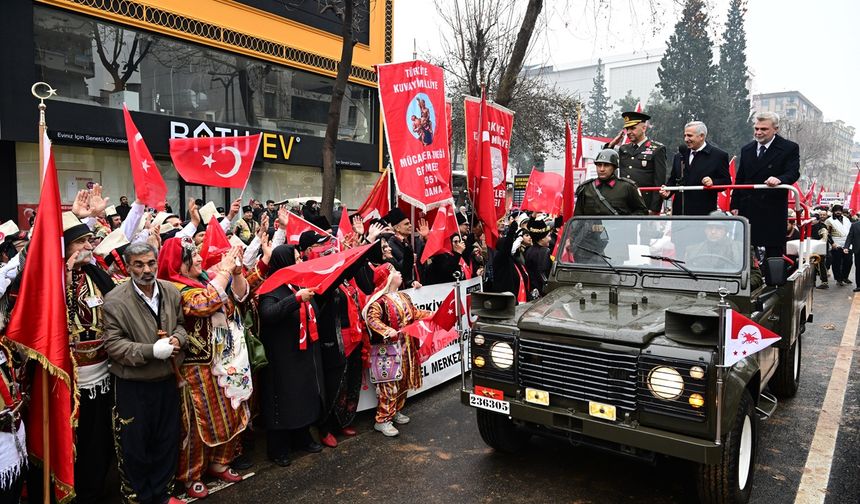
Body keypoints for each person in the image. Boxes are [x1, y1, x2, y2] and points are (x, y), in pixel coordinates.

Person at [157, 238, 267, 499]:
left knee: (230, 413)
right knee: (196, 425)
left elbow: (240, 295)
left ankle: (219, 462)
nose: (198, 259)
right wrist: (226, 270)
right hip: (194, 369)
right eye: (192, 256)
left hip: (225, 362)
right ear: (178, 264)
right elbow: (205, 303)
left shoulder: (204, 279)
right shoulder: (175, 289)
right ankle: (191, 475)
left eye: (197, 254)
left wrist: (237, 272)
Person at [103, 242, 188, 504]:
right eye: (139, 265)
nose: (147, 269)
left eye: (151, 263)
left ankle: (162, 494)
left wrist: (177, 340)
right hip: (134, 385)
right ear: (127, 267)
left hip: (167, 381)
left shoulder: (171, 291)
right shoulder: (115, 300)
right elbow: (113, 345)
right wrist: (151, 350)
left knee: (166, 440)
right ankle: (139, 497)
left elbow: (183, 326)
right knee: (135, 446)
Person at [63, 211, 116, 503]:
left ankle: (94, 492)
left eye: (88, 240)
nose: (87, 245)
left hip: (103, 374)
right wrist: (65, 274)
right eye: (79, 241)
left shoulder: (96, 273)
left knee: (100, 440)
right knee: (75, 443)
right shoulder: (53, 279)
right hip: (70, 380)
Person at [257, 245, 325, 466]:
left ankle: (302, 437)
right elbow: (268, 314)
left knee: (302, 396)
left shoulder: (298, 281)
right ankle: (279, 449)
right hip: (281, 356)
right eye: (295, 258)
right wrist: (295, 299)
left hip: (302, 352)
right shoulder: (271, 287)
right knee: (283, 400)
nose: (300, 260)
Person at [362, 264, 431, 437]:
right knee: (388, 385)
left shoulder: (403, 296)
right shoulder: (379, 302)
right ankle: (382, 420)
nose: (399, 272)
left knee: (403, 381)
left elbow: (414, 313)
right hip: (387, 351)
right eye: (394, 271)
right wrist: (386, 330)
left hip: (406, 347)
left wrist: (433, 314)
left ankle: (395, 411)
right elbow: (372, 319)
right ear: (387, 278)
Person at [730, 111, 800, 258]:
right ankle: (747, 279)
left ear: (776, 129)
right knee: (744, 248)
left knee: (773, 250)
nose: (759, 132)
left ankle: (772, 280)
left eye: (764, 129)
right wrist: (734, 204)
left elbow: (793, 172)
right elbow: (740, 179)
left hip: (772, 206)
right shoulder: (747, 149)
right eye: (756, 129)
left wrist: (780, 179)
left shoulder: (789, 148)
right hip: (747, 206)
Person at [660, 121, 731, 215]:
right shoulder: (680, 156)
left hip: (703, 213)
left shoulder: (718, 155)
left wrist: (713, 182)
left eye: (689, 136)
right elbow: (674, 179)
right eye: (685, 135)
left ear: (701, 136)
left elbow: (726, 181)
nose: (686, 139)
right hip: (679, 212)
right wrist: (668, 191)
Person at [605, 110, 667, 213]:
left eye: (633, 128)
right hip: (624, 201)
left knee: (646, 229)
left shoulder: (657, 149)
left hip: (644, 202)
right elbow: (606, 161)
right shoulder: (624, 149)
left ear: (644, 128)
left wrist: (655, 209)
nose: (629, 132)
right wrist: (612, 144)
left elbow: (659, 181)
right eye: (627, 129)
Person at [573, 149, 649, 216]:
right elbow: (578, 217)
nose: (602, 169)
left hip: (618, 231)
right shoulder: (586, 188)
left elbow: (642, 211)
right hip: (592, 231)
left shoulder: (627, 187)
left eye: (606, 165)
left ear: (614, 167)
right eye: (599, 165)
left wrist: (625, 222)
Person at [384, 208, 422, 288]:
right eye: (406, 224)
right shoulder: (392, 243)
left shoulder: (409, 241)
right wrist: (409, 258)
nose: (410, 225)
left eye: (409, 223)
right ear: (397, 228)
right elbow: (399, 268)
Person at [524, 218, 552, 296]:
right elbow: (543, 274)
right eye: (548, 236)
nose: (550, 239)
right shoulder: (544, 251)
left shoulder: (529, 250)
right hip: (542, 292)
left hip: (533, 290)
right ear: (542, 238)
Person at [828, 204, 853, 286]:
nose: (838, 212)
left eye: (839, 210)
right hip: (836, 243)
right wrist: (832, 243)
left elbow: (850, 231)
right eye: (836, 210)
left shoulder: (846, 219)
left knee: (848, 261)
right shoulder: (829, 221)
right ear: (833, 211)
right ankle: (838, 279)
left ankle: (845, 277)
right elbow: (827, 234)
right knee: (837, 262)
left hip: (847, 243)